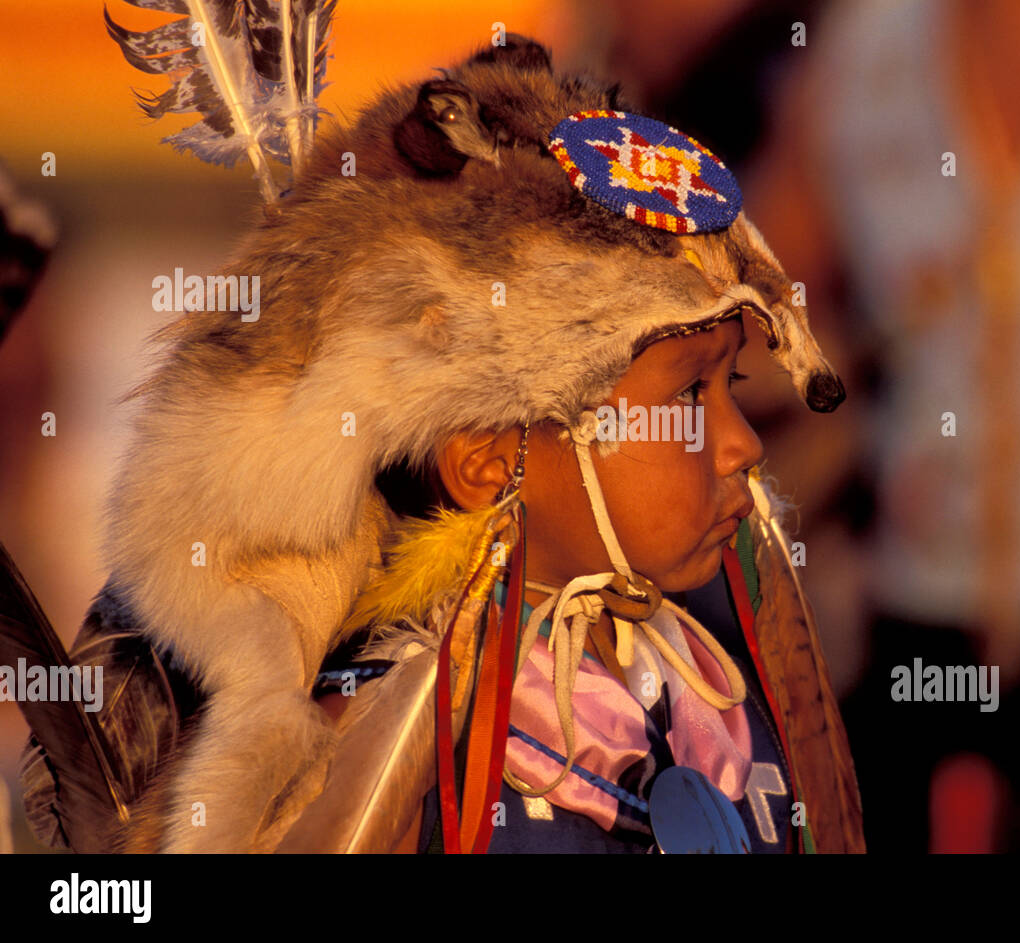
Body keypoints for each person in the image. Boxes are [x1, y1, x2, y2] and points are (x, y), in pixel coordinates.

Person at [15, 30, 864, 853]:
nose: (742, 446)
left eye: (733, 386)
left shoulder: (724, 661)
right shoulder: (398, 739)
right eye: (687, 395)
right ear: (490, 456)